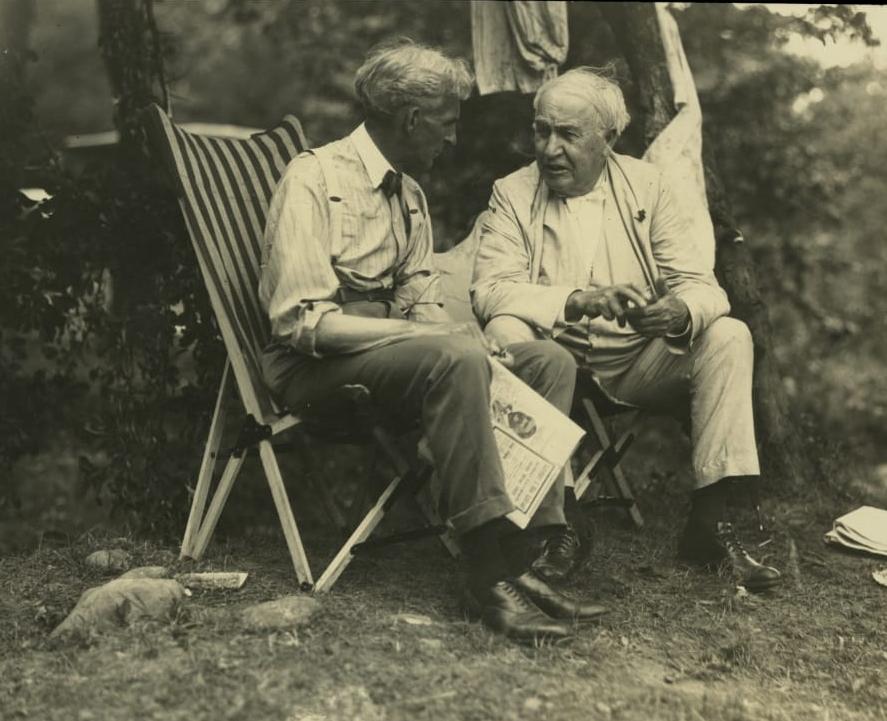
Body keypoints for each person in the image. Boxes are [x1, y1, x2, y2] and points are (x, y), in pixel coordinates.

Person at [258, 40, 606, 643]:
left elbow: (424, 306)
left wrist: (473, 341)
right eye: (447, 125)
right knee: (455, 354)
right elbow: (303, 324)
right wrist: (437, 337)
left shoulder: (411, 197)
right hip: (314, 372)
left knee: (545, 359)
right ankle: (485, 574)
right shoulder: (312, 178)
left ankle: (525, 555)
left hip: (399, 364)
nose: (452, 140)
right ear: (412, 119)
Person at [470, 66, 782, 592]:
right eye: (541, 130)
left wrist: (678, 312)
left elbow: (704, 287)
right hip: (550, 363)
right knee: (504, 325)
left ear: (609, 139)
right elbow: (489, 289)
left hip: (637, 362)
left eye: (568, 135)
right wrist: (576, 300)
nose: (549, 149)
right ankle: (558, 524)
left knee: (729, 335)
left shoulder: (648, 186)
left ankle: (712, 521)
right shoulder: (512, 192)